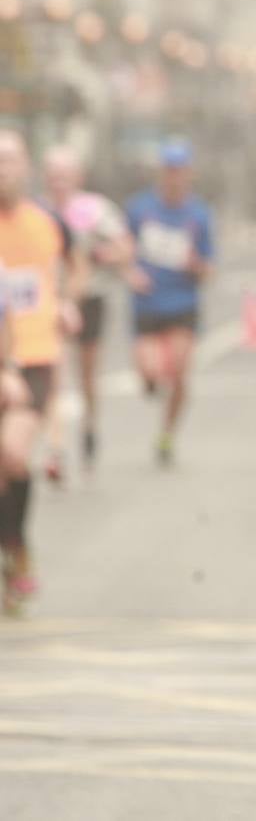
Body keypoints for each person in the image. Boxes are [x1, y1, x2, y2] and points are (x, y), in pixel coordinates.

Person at [0, 130, 83, 612]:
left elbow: (75, 265)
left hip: (34, 356)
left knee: (12, 455)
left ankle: (17, 548)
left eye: (10, 160)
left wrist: (68, 302)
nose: (3, 170)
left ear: (26, 166)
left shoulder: (48, 222)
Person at [125, 141, 214, 466]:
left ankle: (167, 434)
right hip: (147, 303)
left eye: (180, 171)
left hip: (182, 302)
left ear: (189, 174)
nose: (174, 177)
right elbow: (124, 248)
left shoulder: (199, 214)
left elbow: (209, 269)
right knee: (149, 375)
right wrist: (130, 272)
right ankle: (151, 382)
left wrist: (196, 266)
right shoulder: (140, 209)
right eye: (169, 170)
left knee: (178, 371)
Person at [42, 146, 130, 472]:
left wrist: (100, 256)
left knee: (87, 374)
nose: (58, 183)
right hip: (49, 301)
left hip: (90, 298)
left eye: (65, 176)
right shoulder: (40, 211)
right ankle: (56, 447)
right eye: (53, 176)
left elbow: (124, 249)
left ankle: (90, 424)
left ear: (78, 177)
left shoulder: (94, 210)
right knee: (54, 372)